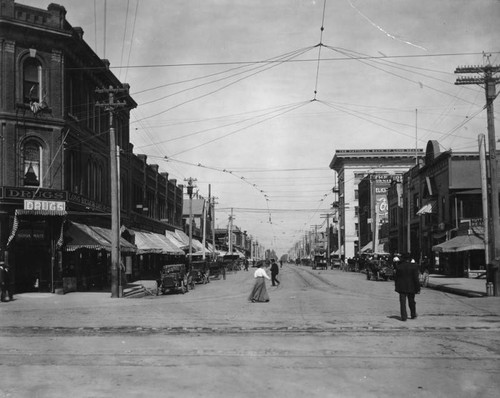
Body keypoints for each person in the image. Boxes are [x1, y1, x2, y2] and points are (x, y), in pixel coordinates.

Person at [394, 255, 420, 321]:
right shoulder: (414, 266)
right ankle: (413, 314)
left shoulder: (399, 267)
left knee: (402, 303)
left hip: (402, 287)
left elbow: (396, 278)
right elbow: (416, 278)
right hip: (412, 287)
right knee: (411, 301)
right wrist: (418, 288)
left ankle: (404, 317)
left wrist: (396, 287)